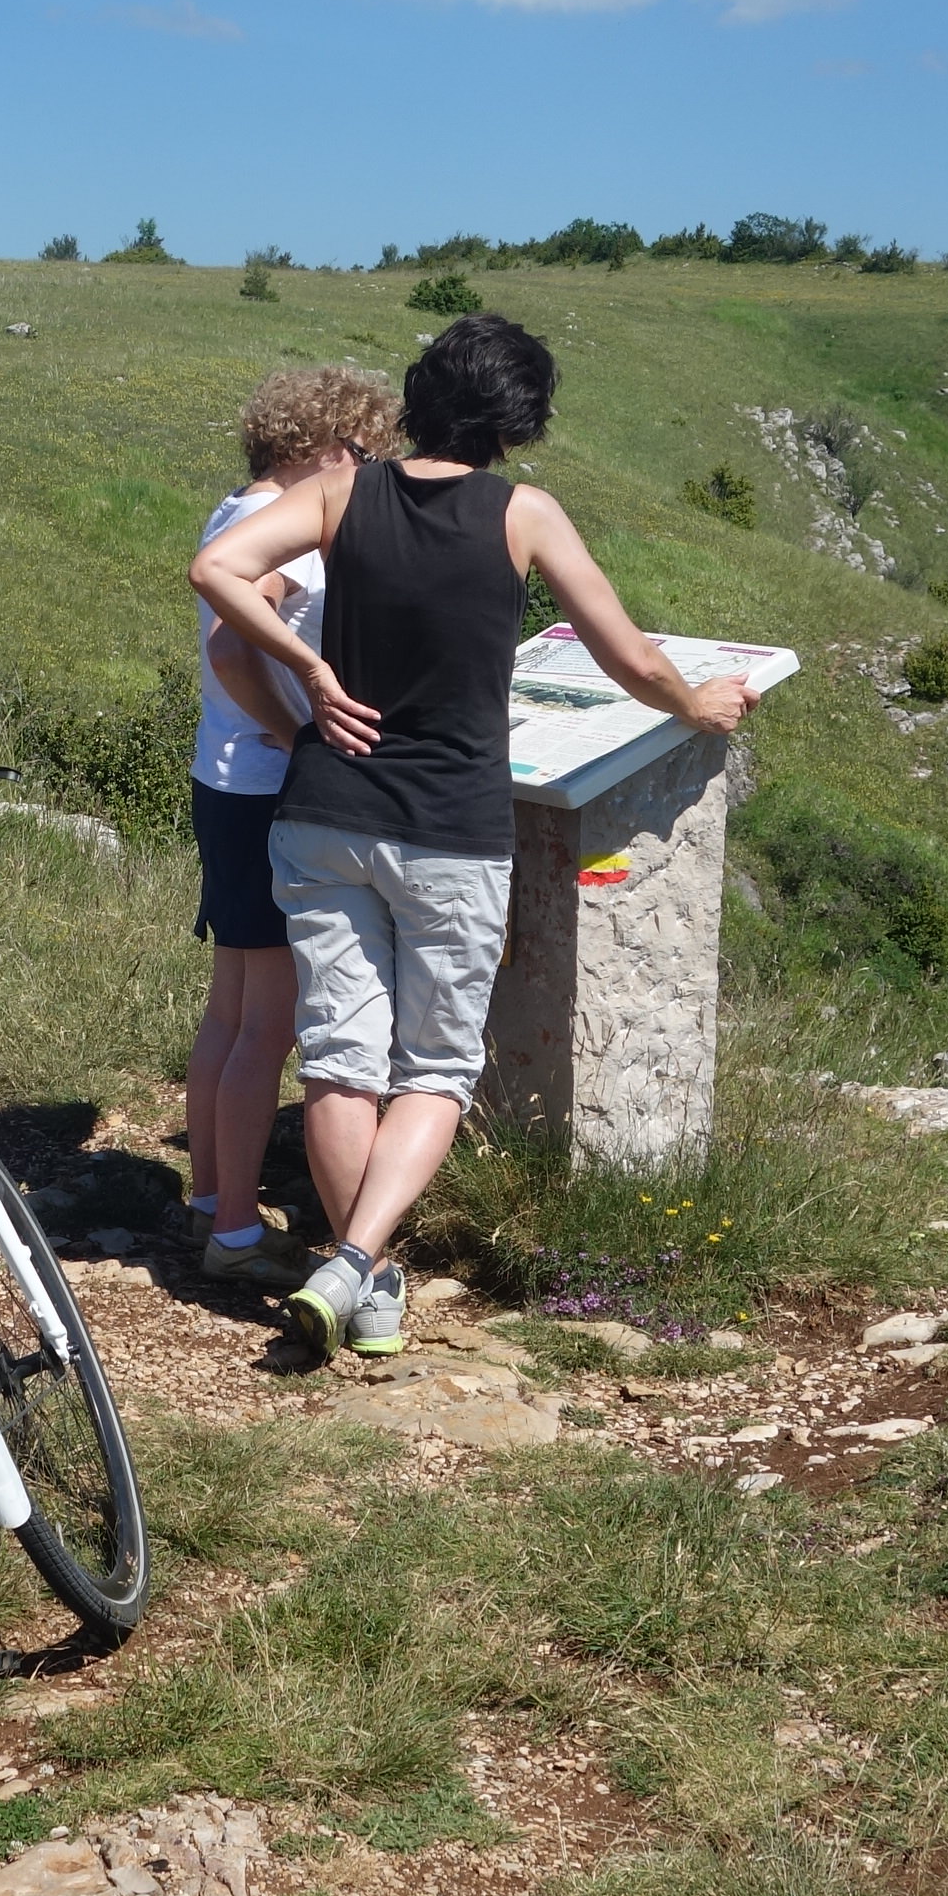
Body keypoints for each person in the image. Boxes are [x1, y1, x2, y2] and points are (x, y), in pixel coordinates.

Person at [190, 312, 761, 1359]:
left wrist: (310, 674)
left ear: (417, 397)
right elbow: (627, 655)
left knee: (339, 1062)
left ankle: (355, 1276)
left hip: (322, 813)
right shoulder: (523, 513)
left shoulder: (337, 494)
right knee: (438, 1068)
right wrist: (698, 705)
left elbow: (219, 571)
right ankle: (358, 1258)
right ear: (520, 420)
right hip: (450, 824)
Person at [183, 366, 400, 1290]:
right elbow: (234, 647)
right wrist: (298, 724)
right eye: (359, 454)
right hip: (265, 783)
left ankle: (206, 1195)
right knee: (267, 1023)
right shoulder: (292, 539)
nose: (365, 473)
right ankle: (236, 1232)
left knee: (232, 1005)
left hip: (219, 778)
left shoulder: (232, 511)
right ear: (320, 449)